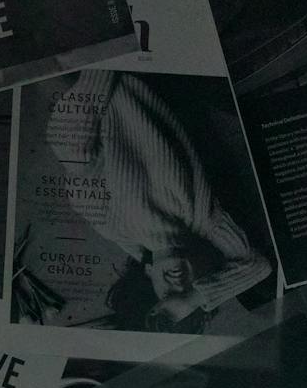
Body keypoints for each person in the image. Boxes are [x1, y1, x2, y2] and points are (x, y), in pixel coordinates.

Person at [14, 72, 272, 334]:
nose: (179, 287)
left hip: (100, 77)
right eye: (189, 289)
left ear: (147, 273)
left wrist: (105, 66)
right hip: (167, 73)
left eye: (165, 296)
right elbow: (257, 266)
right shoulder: (202, 218)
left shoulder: (114, 227)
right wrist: (193, 299)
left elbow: (70, 148)